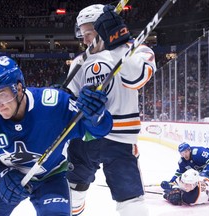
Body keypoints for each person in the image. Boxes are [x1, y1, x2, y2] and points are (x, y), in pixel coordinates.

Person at [0, 56, 113, 216]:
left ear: (19, 88)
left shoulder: (54, 105)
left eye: (2, 95)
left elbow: (95, 131)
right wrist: (0, 178)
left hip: (51, 178)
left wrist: (96, 116)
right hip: (6, 180)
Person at [66, 4, 156, 216]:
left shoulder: (137, 50)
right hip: (85, 137)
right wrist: (77, 103)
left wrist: (121, 44)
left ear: (102, 28)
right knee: (72, 194)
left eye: (88, 33)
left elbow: (137, 78)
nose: (85, 40)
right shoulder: (80, 61)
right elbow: (68, 101)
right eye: (82, 34)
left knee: (131, 202)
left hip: (120, 140)